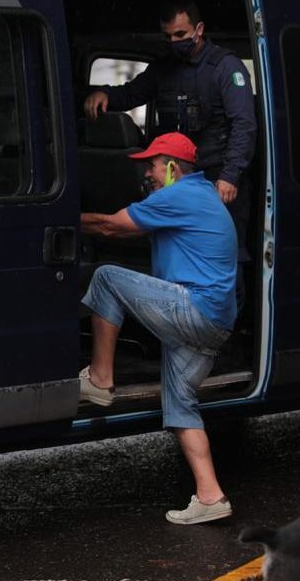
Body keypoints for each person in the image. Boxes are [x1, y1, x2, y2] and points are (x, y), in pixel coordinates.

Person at [79, 131, 236, 524]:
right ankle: (211, 495)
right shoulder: (200, 196)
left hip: (193, 308)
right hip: (215, 323)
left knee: (106, 278)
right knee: (180, 403)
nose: (146, 174)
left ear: (171, 167)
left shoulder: (180, 194)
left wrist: (56, 216)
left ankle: (100, 379)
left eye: (150, 165)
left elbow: (112, 227)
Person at [83, 0, 256, 320]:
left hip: (216, 179)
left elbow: (244, 125)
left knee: (223, 256)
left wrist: (230, 175)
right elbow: (133, 93)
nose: (175, 42)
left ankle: (226, 337)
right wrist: (106, 94)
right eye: (169, 37)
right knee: (173, 248)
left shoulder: (225, 69)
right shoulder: (163, 68)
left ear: (199, 30)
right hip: (176, 178)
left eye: (181, 34)